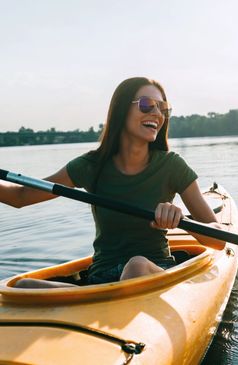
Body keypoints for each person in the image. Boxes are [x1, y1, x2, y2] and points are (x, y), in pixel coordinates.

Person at [0, 77, 225, 288]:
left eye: (163, 108)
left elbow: (218, 239)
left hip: (152, 271)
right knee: (23, 285)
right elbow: (19, 196)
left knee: (136, 266)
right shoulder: (90, 165)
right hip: (101, 279)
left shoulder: (172, 166)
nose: (157, 113)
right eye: (147, 104)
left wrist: (180, 219)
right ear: (121, 110)